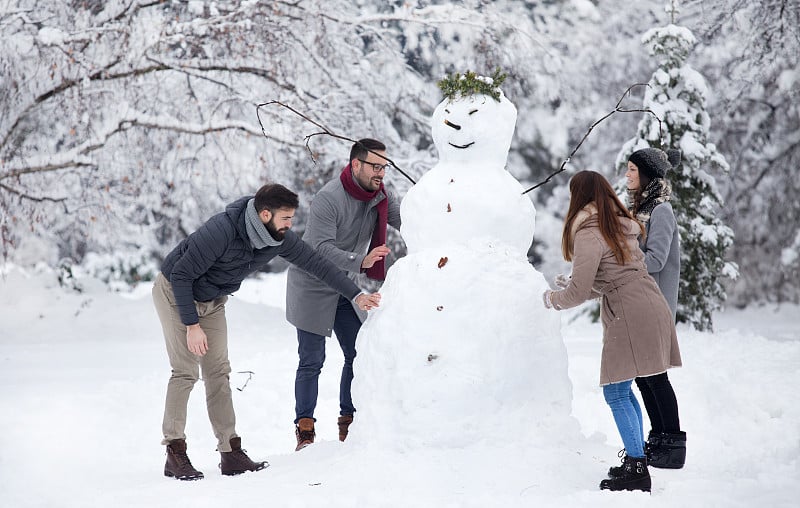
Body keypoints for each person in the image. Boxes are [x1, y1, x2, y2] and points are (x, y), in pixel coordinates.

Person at [153, 183, 380, 480]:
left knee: (218, 372)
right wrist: (192, 326)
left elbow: (317, 264)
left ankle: (230, 451)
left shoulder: (277, 239)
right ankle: (175, 452)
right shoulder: (222, 230)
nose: (290, 224)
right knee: (185, 372)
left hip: (212, 300)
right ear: (264, 214)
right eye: (285, 218)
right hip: (175, 293)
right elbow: (182, 275)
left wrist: (355, 294)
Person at [542, 170, 681, 493]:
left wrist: (551, 299)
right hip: (648, 303)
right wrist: (574, 285)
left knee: (616, 392)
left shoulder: (590, 232)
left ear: (578, 197)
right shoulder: (616, 226)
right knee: (623, 389)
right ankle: (636, 461)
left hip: (631, 314)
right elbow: (607, 280)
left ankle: (636, 468)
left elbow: (578, 294)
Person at [286, 138, 401, 450]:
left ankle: (348, 422)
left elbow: (410, 220)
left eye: (384, 166)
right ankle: (305, 429)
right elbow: (319, 249)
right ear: (356, 165)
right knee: (312, 360)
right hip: (311, 285)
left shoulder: (380, 197)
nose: (381, 172)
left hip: (344, 287)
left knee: (357, 352)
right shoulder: (329, 199)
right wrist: (360, 261)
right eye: (375, 166)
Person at [626, 147, 687, 469]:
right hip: (639, 301)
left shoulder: (660, 211)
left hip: (655, 304)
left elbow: (656, 259)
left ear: (647, 173)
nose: (627, 175)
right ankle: (659, 440)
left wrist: (622, 261)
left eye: (632, 170)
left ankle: (673, 444)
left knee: (655, 376)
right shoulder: (637, 209)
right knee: (643, 377)